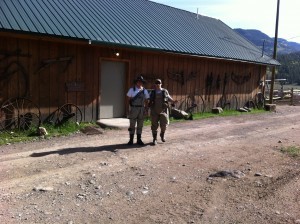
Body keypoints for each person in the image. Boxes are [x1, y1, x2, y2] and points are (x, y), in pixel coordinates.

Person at [149, 79, 177, 145]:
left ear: (161, 84)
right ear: (155, 84)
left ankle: (162, 134)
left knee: (164, 125)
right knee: (154, 125)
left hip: (163, 110)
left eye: (159, 83)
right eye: (156, 83)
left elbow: (169, 98)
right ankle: (154, 139)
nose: (158, 84)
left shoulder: (165, 91)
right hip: (154, 110)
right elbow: (148, 99)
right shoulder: (152, 92)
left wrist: (173, 101)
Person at [126, 75, 150, 145]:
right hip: (133, 108)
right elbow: (128, 100)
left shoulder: (145, 90)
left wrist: (146, 109)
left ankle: (139, 140)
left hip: (142, 109)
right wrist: (128, 109)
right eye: (138, 81)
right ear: (136, 82)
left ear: (142, 83)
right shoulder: (131, 90)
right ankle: (131, 140)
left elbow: (146, 100)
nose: (139, 83)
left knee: (140, 124)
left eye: (141, 82)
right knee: (132, 124)